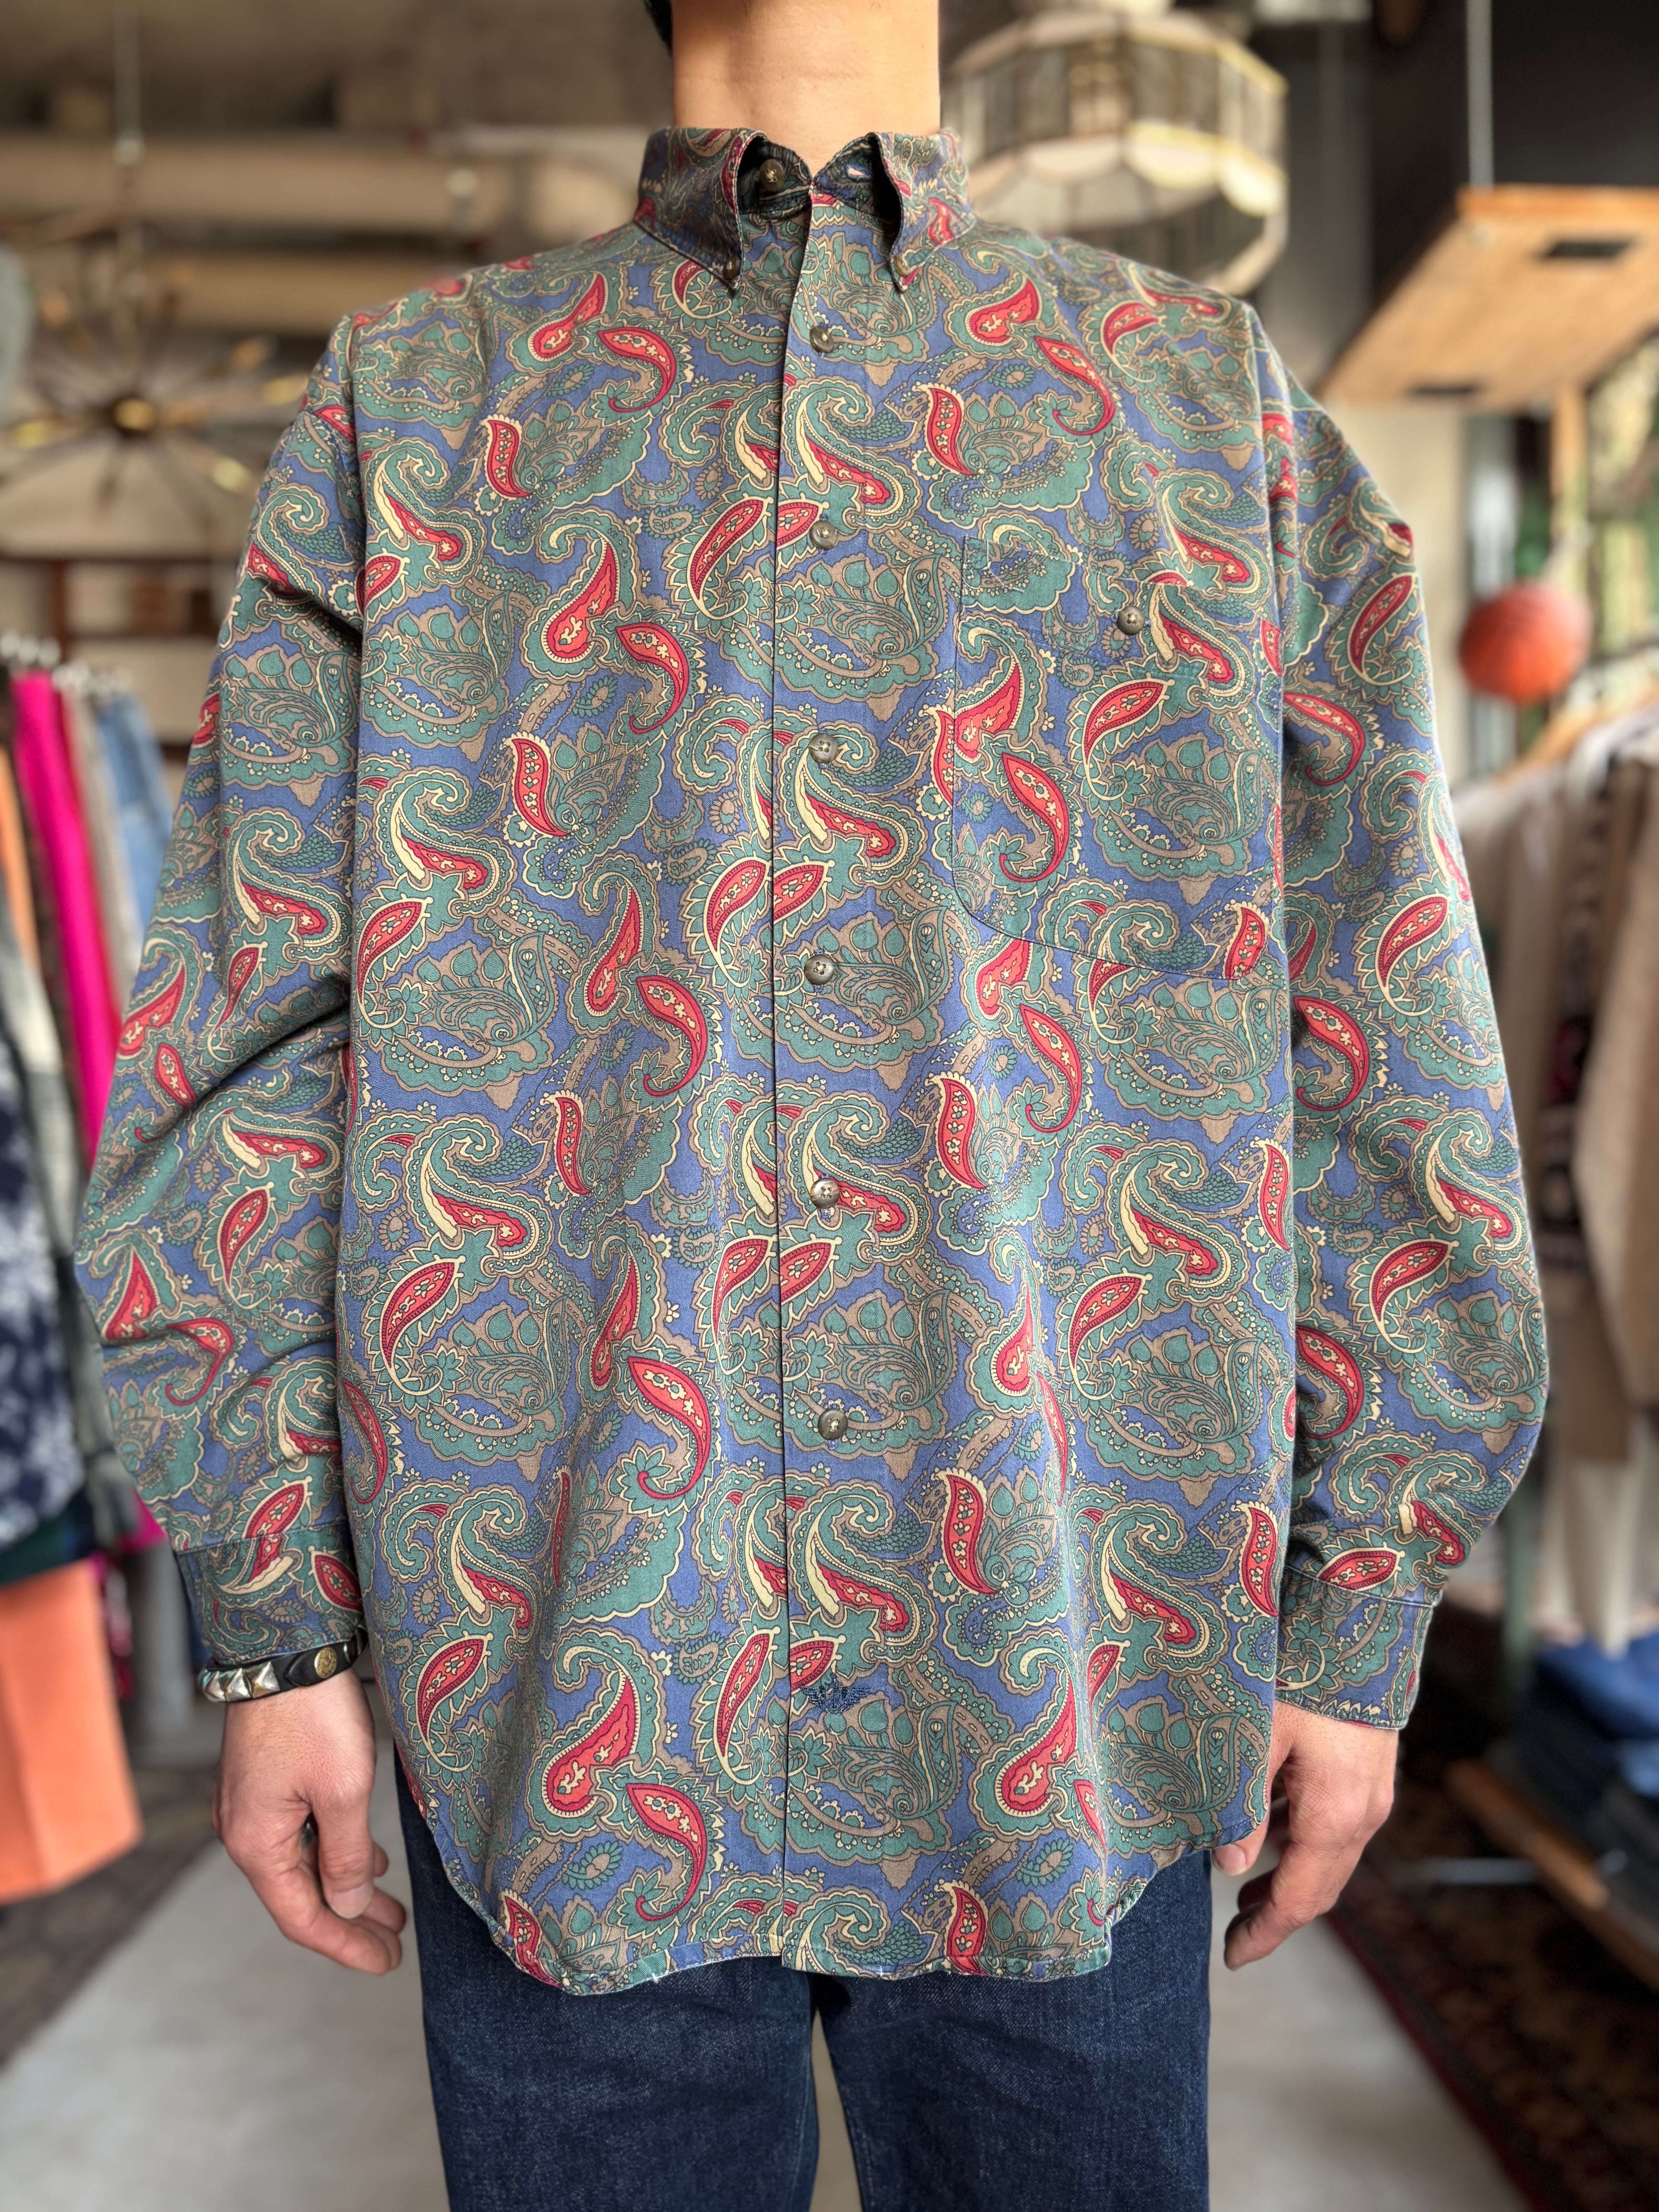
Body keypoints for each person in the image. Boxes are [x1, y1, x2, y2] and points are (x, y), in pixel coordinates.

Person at [75, 0, 1546, 2204]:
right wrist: (275, 1620)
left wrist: (1361, 1613)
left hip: (1066, 1662)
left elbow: (1381, 1022)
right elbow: (253, 1035)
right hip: (569, 1672)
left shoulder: (1195, 400)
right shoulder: (423, 405)